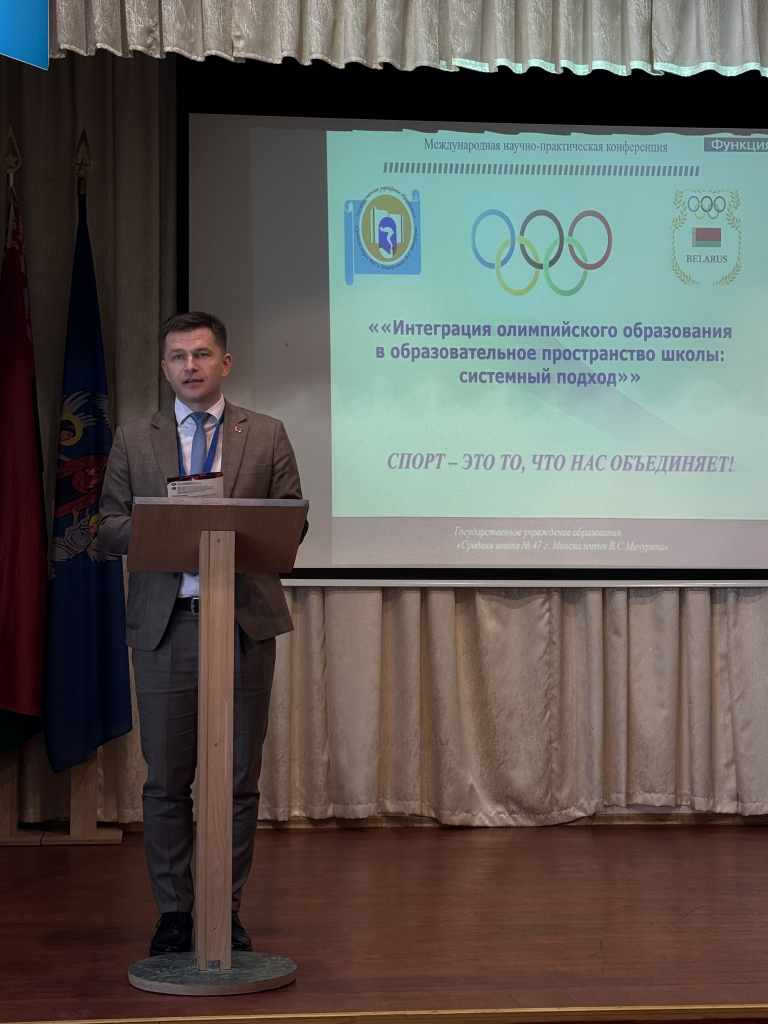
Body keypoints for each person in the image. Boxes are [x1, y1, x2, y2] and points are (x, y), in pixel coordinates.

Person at [99, 311, 305, 957]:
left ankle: (224, 907)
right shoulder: (134, 439)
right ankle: (174, 913)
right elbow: (107, 526)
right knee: (167, 780)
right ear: (165, 368)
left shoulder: (265, 434)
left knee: (239, 779)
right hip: (167, 629)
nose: (190, 366)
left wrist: (231, 522)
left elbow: (292, 522)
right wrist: (170, 521)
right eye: (178, 356)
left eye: (202, 354)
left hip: (243, 624)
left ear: (225, 363)